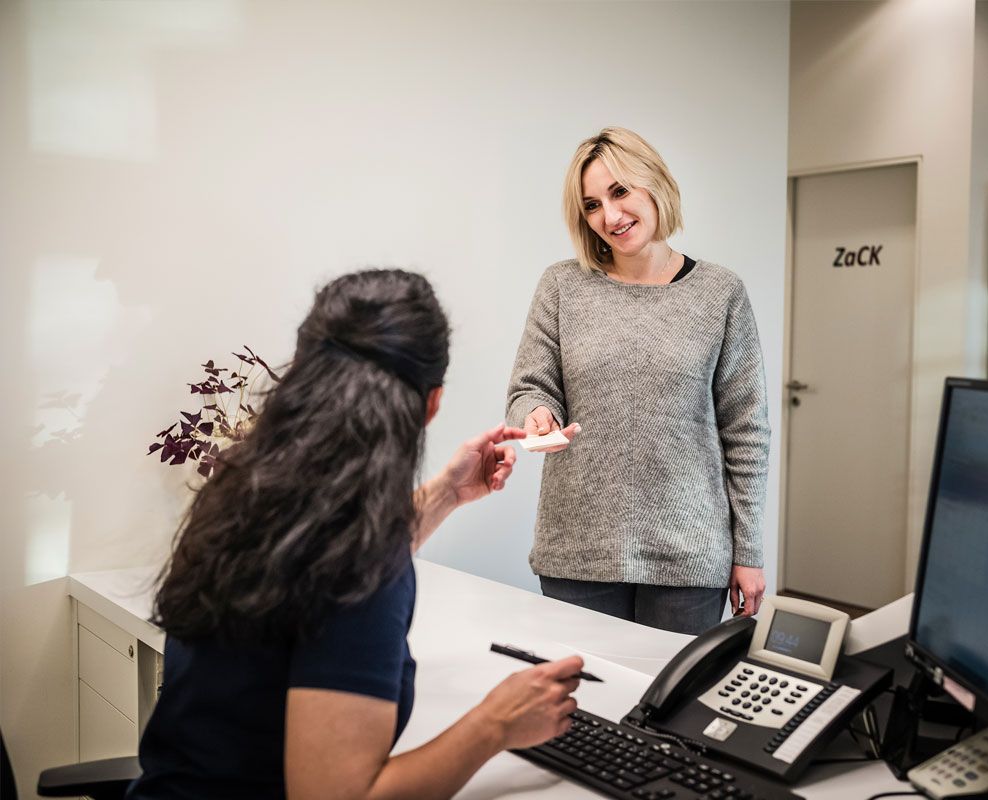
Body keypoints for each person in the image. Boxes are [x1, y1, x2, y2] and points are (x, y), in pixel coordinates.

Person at [127, 269, 583, 800]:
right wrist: (495, 723)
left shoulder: (238, 488)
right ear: (431, 403)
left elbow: (334, 554)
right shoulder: (362, 567)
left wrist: (446, 494)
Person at [506, 127, 771, 636]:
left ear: (654, 184)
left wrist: (749, 551)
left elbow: (746, 432)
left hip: (689, 556)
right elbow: (528, 388)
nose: (610, 216)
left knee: (671, 690)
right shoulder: (561, 285)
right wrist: (536, 415)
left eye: (620, 191)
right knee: (583, 688)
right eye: (592, 205)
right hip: (578, 553)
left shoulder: (720, 293)